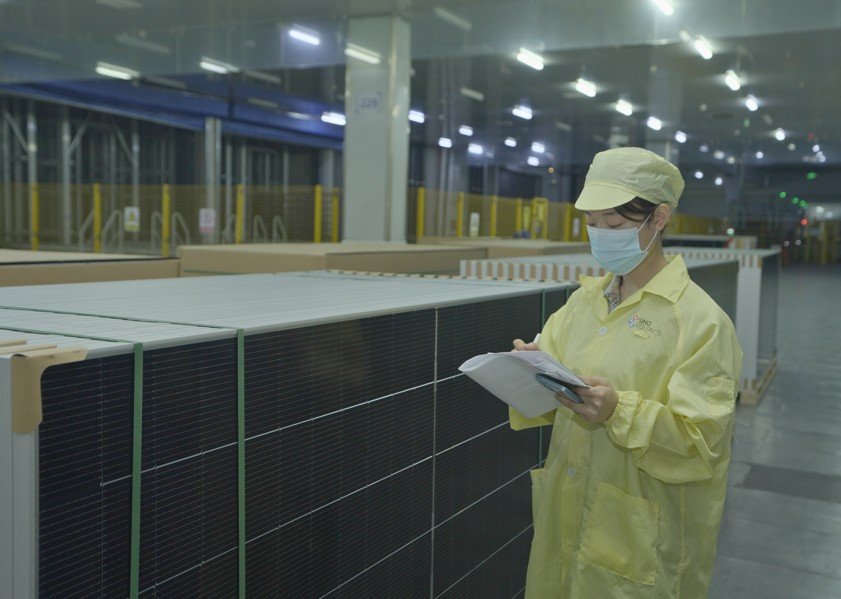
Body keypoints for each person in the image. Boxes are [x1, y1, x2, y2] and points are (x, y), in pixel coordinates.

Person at [510, 147, 743, 598]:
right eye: (592, 224)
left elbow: (701, 448)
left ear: (659, 218)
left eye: (614, 226)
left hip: (639, 540)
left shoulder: (700, 323)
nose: (601, 236)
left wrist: (619, 411)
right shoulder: (583, 304)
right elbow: (552, 402)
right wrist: (530, 371)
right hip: (565, 514)